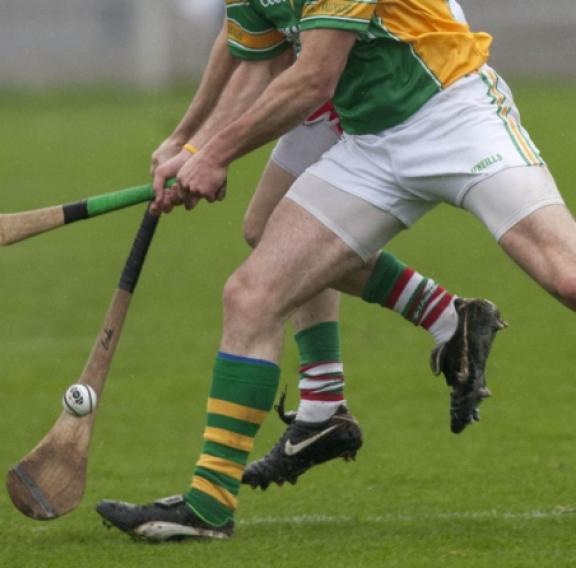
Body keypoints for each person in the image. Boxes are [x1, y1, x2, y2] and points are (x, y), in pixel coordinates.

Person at [97, 0, 576, 542]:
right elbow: (257, 60)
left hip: (453, 114)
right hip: (371, 144)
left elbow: (314, 78)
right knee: (251, 294)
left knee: (566, 277)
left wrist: (213, 154)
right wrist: (193, 145)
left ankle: (385, 358)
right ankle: (209, 506)